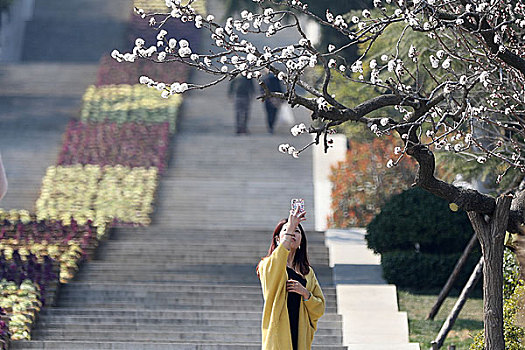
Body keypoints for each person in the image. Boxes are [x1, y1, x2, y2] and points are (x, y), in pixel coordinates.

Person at [256, 207, 325, 350]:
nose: (293, 233)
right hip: (278, 333)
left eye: (297, 231)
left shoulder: (308, 272)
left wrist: (306, 294)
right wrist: (291, 226)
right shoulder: (268, 264)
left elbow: (319, 308)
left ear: (301, 241)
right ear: (278, 238)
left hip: (300, 333)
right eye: (287, 230)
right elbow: (276, 264)